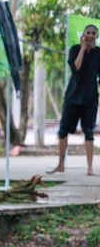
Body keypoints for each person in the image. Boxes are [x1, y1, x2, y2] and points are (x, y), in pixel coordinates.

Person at [48, 24, 100, 176]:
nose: (90, 35)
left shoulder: (99, 54)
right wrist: (83, 49)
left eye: (93, 33)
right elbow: (76, 68)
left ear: (96, 36)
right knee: (63, 130)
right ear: (83, 34)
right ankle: (61, 164)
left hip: (90, 99)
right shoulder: (75, 49)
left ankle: (90, 168)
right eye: (88, 33)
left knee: (89, 132)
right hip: (73, 97)